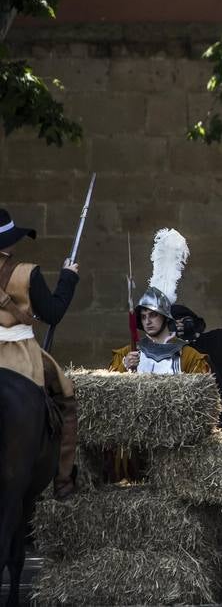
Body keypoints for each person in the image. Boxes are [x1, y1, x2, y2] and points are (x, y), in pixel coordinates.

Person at [0, 207, 82, 498]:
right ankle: (63, 480)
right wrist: (67, 278)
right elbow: (53, 313)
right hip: (20, 355)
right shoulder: (26, 273)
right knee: (66, 398)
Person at [109, 229, 210, 375]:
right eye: (143, 316)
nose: (148, 321)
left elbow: (202, 391)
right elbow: (108, 386)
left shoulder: (189, 356)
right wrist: (124, 366)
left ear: (165, 316)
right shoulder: (128, 353)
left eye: (153, 315)